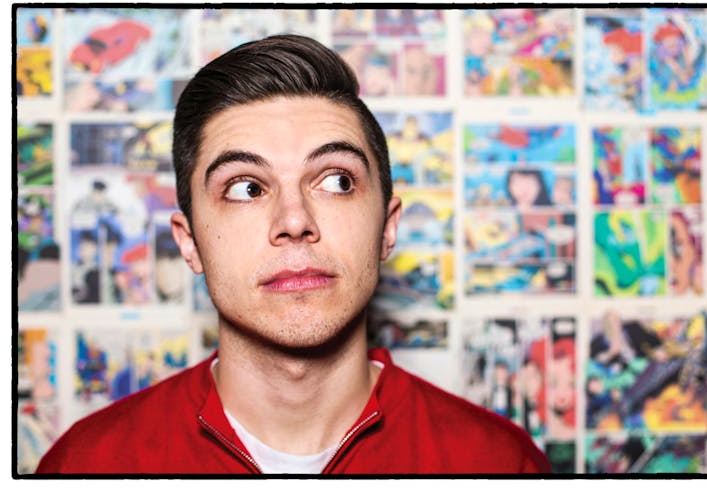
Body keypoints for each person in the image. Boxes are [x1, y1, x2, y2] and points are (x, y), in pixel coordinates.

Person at [36, 34, 550, 475]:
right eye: (245, 188)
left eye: (337, 180)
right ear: (189, 243)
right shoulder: (87, 465)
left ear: (388, 228)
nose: (294, 220)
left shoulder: (499, 463)